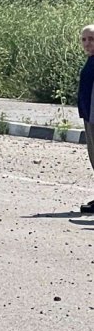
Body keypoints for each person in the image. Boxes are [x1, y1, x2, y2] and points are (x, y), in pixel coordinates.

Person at [78, 24, 94, 214]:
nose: (87, 43)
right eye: (84, 39)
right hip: (89, 116)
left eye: (91, 39)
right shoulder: (91, 60)